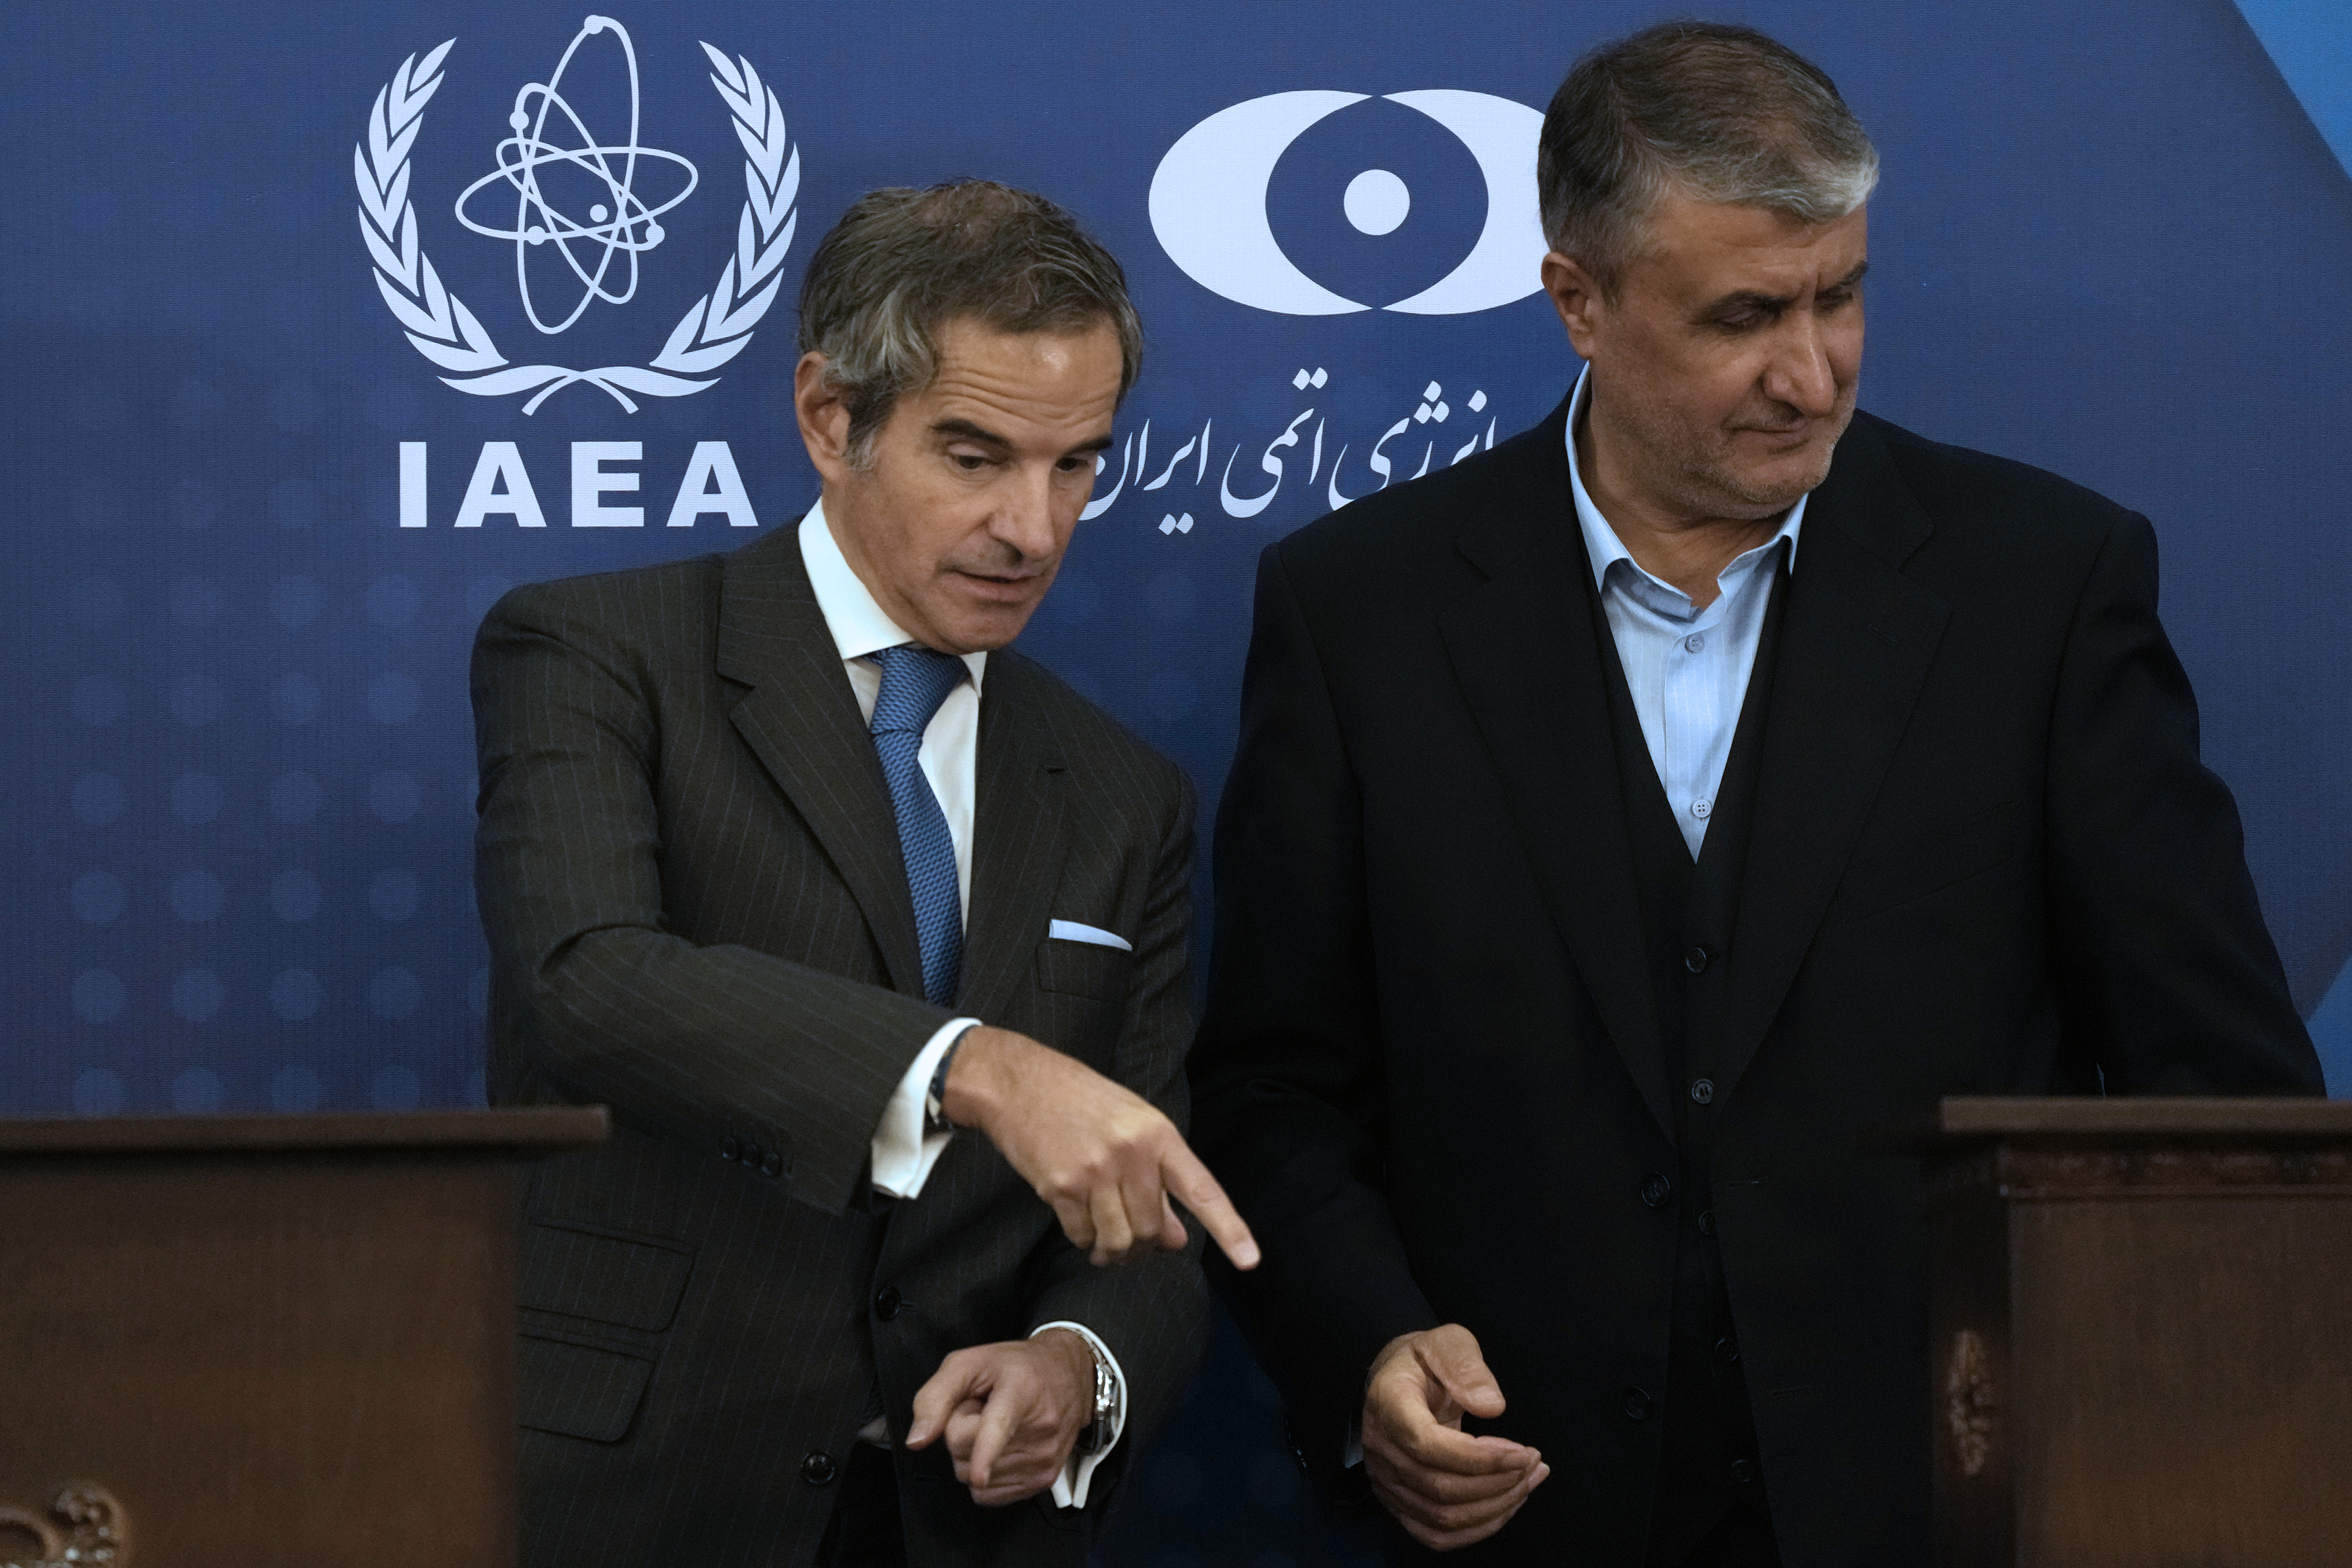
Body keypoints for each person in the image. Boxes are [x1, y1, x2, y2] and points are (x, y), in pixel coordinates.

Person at [1188, 22, 2322, 1568]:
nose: (1813, 371)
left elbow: (2225, 1118)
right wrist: (1371, 1350)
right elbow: (1275, 1093)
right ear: (1576, 303)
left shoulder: (2043, 588)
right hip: (1530, 1517)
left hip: (1959, 1507)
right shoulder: (1357, 614)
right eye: (1744, 316)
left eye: (1839, 296)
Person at [473, 180, 1256, 1568]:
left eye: (1077, 463)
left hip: (954, 1524)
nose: (1036, 527)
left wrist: (1078, 1362)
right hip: (633, 1500)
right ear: (832, 418)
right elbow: (587, 977)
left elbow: (1142, 1193)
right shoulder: (599, 653)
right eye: (976, 456)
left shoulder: (1126, 794)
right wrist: (981, 1066)